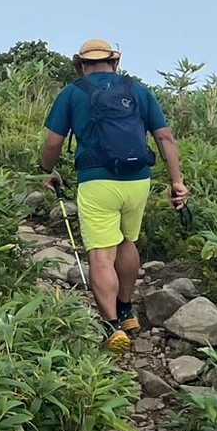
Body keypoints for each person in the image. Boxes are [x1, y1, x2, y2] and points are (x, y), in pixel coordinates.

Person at [39, 39, 191, 353]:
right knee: (127, 241)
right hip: (138, 180)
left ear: (81, 65)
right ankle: (126, 310)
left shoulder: (72, 93)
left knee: (101, 254)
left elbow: (54, 142)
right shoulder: (139, 90)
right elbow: (165, 137)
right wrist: (177, 182)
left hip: (97, 182)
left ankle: (112, 327)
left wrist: (46, 171)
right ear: (115, 62)